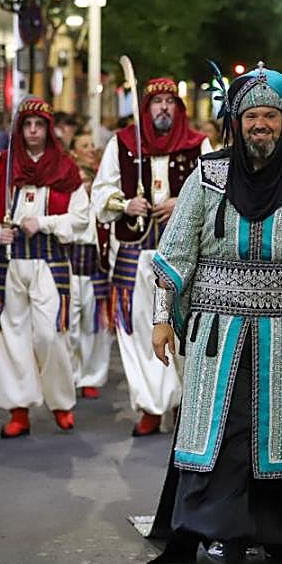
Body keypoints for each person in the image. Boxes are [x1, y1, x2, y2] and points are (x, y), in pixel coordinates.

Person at [144, 63, 282, 564]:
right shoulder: (207, 175)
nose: (259, 125)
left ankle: (274, 535)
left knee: (280, 433)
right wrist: (162, 319)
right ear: (235, 122)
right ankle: (217, 533)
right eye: (250, 117)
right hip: (217, 331)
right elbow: (175, 252)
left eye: (269, 116)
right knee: (224, 429)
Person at [92, 78, 206, 437]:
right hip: (135, 253)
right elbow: (100, 193)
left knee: (186, 328)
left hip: (184, 256)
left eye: (170, 101)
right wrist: (126, 203)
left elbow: (215, 191)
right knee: (140, 330)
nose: (163, 108)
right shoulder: (123, 144)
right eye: (157, 102)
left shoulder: (198, 144)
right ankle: (152, 406)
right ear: (146, 108)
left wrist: (181, 203)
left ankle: (187, 403)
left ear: (179, 107)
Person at [0, 97, 89, 438]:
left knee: (50, 335)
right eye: (27, 125)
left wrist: (42, 223)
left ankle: (61, 403)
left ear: (48, 129)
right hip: (9, 263)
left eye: (39, 125)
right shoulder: (2, 165)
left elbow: (81, 218)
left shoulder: (66, 168)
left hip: (49, 262)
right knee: (10, 336)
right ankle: (18, 410)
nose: (32, 131)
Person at [67, 163, 113, 400]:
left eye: (87, 180)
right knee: (70, 328)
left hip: (95, 273)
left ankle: (91, 377)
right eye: (79, 180)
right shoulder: (68, 206)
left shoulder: (101, 210)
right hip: (70, 272)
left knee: (95, 329)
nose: (83, 185)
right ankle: (72, 374)